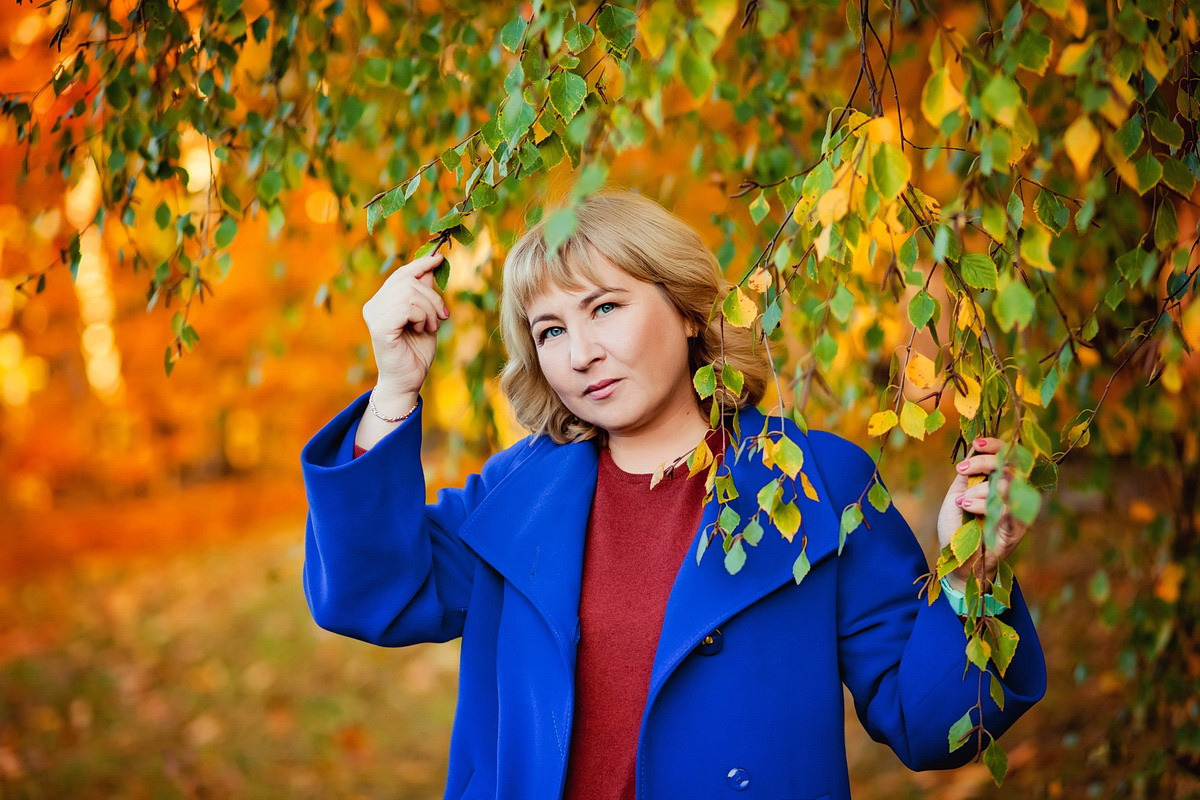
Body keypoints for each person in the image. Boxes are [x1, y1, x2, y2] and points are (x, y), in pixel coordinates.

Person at [301, 191, 1045, 800]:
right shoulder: (518, 494)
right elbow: (370, 595)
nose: (580, 353)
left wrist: (969, 570)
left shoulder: (818, 484)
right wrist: (395, 390)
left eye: (604, 309)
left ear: (688, 311)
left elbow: (931, 723)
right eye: (550, 329)